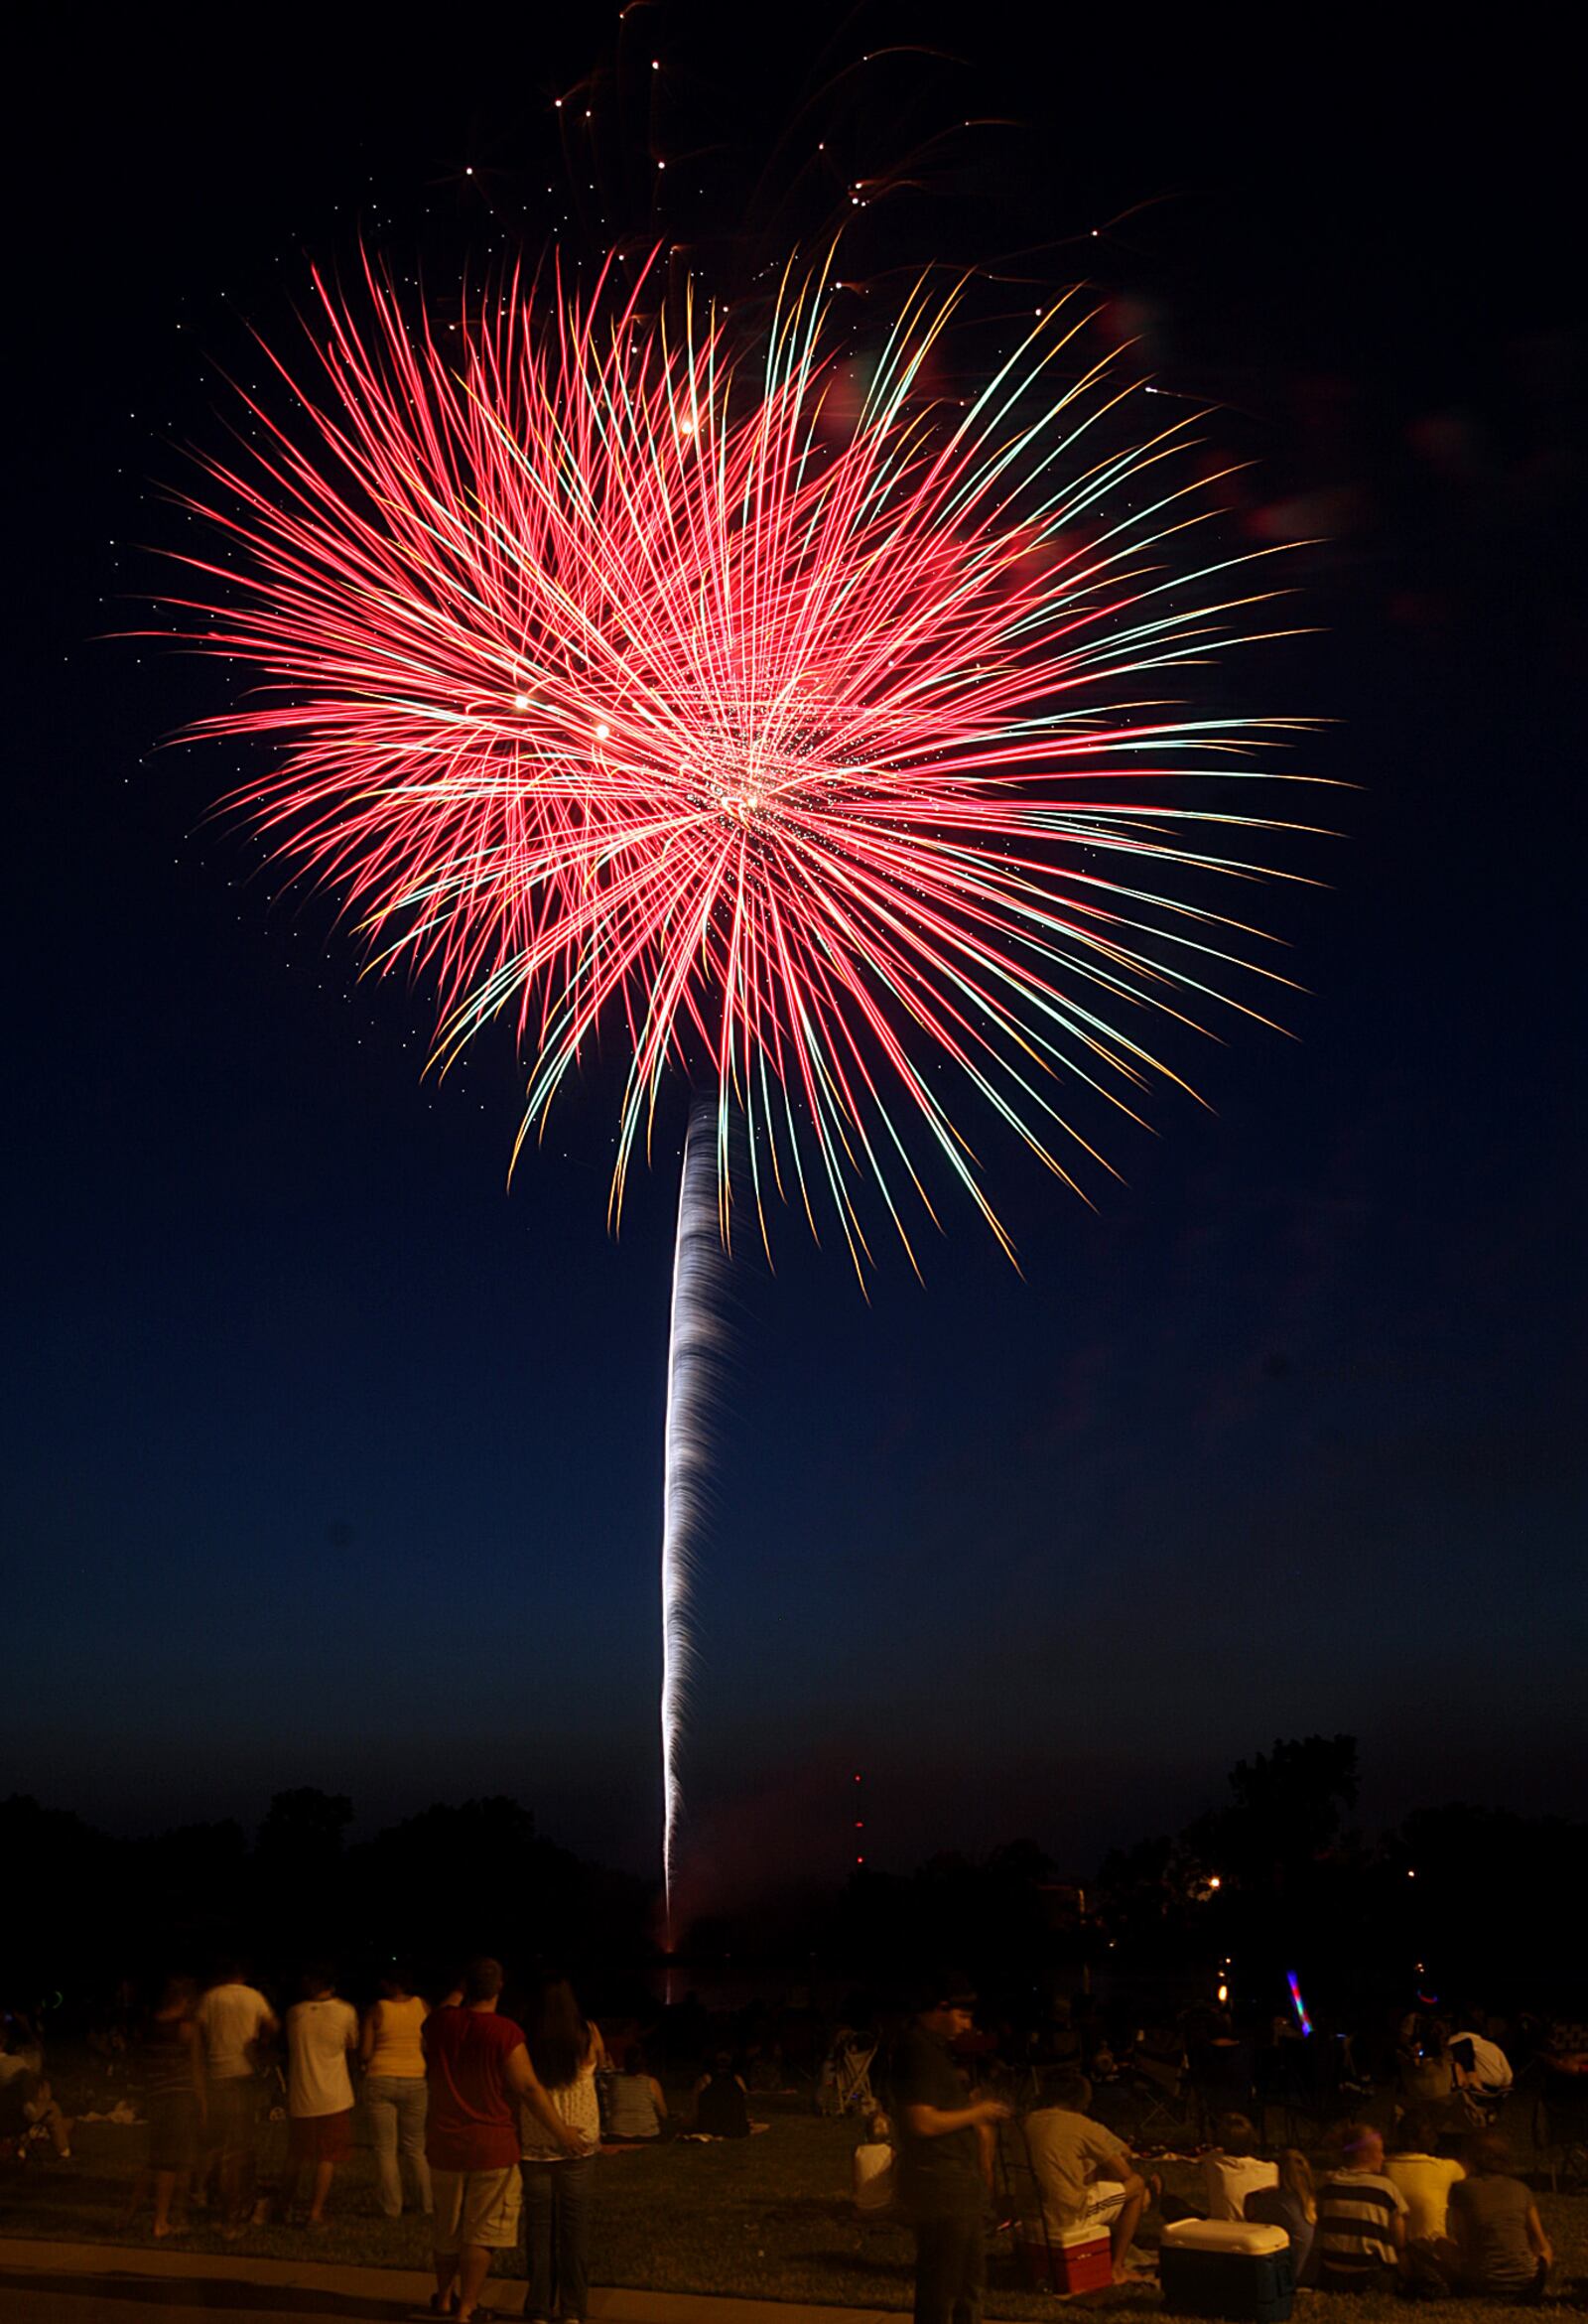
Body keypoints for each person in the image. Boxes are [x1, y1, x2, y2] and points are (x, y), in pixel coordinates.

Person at [424, 1957, 583, 2324]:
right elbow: (527, 2086)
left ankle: (445, 2297)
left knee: (447, 2227)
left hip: (444, 2142)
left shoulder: (439, 2024)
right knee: (481, 2230)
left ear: (465, 1986)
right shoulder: (505, 2033)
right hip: (491, 2145)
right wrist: (562, 2133)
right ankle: (468, 2308)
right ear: (499, 1988)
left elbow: (445, 2007)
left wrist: (461, 1987)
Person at [891, 1974, 1011, 2324]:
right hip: (940, 2183)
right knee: (943, 2285)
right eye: (962, 2016)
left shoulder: (933, 2050)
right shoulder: (916, 2050)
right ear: (940, 2008)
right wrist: (978, 2112)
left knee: (969, 2283)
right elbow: (922, 2122)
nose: (967, 2025)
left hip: (958, 2181)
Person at [520, 1978, 606, 2324]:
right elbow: (597, 2064)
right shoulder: (588, 2034)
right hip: (580, 2143)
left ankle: (539, 2307)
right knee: (575, 2230)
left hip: (536, 2141)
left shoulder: (526, 2039)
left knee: (539, 2231)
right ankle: (573, 2309)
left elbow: (523, 2086)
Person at [1018, 2067, 1149, 2286]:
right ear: (1080, 2101)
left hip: (1028, 2213)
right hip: (1066, 2214)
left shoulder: (1027, 2121)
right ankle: (1116, 2268)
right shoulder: (1081, 2125)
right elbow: (1124, 2173)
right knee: (1137, 2186)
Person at [194, 1962, 277, 2235]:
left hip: (218, 2074)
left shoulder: (211, 1997)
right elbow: (272, 2024)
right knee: (239, 2148)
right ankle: (232, 2212)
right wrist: (260, 2044)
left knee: (218, 2141)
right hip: (243, 2074)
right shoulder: (253, 1997)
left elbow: (199, 2034)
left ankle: (206, 2192)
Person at [123, 1978, 204, 2237]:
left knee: (154, 2160)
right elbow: (195, 2068)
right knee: (172, 2163)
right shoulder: (185, 2028)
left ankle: (128, 2214)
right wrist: (202, 2101)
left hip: (156, 2096)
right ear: (183, 2000)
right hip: (179, 2098)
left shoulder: (149, 2025)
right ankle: (161, 2221)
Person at [278, 1964, 357, 2228]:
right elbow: (352, 2043)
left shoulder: (294, 2013)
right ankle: (315, 2212)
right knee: (328, 2156)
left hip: (302, 2096)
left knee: (296, 2154)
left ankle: (283, 2204)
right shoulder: (345, 2012)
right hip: (334, 2096)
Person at [361, 1965, 432, 2219]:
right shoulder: (422, 2006)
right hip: (415, 2078)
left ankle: (392, 2207)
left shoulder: (377, 2009)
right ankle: (426, 2205)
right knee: (415, 2148)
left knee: (385, 2149)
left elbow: (366, 2052)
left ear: (387, 1984)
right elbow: (427, 2043)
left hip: (381, 2077)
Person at [1449, 2131, 1551, 2301]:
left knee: (1440, 2243)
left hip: (1481, 2282)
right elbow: (1540, 2242)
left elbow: (1462, 2240)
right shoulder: (1522, 2189)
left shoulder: (1461, 2190)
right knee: (1545, 2246)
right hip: (1528, 2283)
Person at [1313, 2123, 1408, 2293]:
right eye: (1380, 2151)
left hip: (1331, 2273)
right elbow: (1398, 2233)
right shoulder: (1385, 2188)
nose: (1383, 2157)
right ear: (1364, 2154)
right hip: (1371, 2275)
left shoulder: (1327, 2183)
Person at [1386, 2107, 1464, 2284]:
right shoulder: (1445, 2168)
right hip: (1432, 2252)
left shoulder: (1384, 2167)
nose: (1435, 2138)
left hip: (1392, 2254)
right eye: (1430, 2133)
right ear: (1415, 2140)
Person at [0, 2016, 73, 2162]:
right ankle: (63, 2151)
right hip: (20, 2117)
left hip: (4, 2119)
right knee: (50, 2105)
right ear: (4, 2042)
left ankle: (22, 2146)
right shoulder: (16, 2064)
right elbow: (29, 2087)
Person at [1244, 2147, 1316, 2280]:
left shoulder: (1274, 2200)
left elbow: (1248, 2211)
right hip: (1311, 2270)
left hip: (1291, 2274)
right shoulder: (1313, 2201)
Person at [1201, 2113, 1278, 2221]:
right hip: (1259, 2233)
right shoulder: (1272, 2170)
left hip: (1221, 2230)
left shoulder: (1212, 2162)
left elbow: (1213, 2152)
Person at [601, 2052, 668, 2141]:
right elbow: (663, 2113)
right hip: (647, 2134)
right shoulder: (652, 2083)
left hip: (617, 2133)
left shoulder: (614, 2082)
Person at [694, 2052, 752, 2138]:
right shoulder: (738, 2079)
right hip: (736, 2129)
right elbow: (743, 2101)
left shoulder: (704, 2080)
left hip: (710, 2127)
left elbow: (695, 2106)